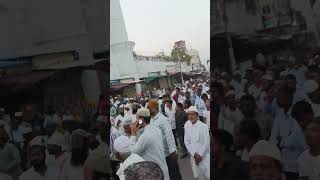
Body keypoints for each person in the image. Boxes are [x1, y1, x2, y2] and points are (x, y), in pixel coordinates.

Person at [270, 84, 307, 179]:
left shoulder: (297, 112)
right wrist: (282, 142)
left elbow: (295, 139)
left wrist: (282, 142)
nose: (277, 98)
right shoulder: (279, 115)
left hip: (298, 165)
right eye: (277, 96)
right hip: (283, 165)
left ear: (289, 96)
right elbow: (273, 140)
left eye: (280, 95)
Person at [128, 108, 170, 180]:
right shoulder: (154, 129)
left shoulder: (146, 135)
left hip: (155, 173)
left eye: (137, 119)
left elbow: (132, 151)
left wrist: (133, 133)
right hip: (160, 169)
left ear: (141, 120)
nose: (135, 121)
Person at [147, 99, 182, 180]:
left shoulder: (163, 119)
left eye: (149, 107)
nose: (147, 109)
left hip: (169, 154)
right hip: (160, 154)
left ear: (154, 107)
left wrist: (173, 151)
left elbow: (169, 135)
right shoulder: (151, 120)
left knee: (174, 175)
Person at [184, 106, 210, 180]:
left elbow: (206, 142)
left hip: (204, 156)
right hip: (194, 156)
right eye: (189, 114)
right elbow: (187, 141)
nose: (190, 116)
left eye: (192, 114)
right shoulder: (187, 125)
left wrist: (200, 155)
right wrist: (194, 154)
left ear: (197, 115)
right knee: (199, 176)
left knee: (208, 175)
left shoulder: (203, 126)